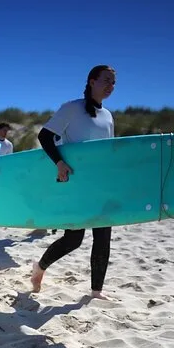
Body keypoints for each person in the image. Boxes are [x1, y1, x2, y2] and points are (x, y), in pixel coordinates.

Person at [30, 65, 116, 300]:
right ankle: (40, 267)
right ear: (92, 81)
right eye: (106, 80)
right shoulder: (72, 108)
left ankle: (96, 291)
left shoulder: (108, 116)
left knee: (103, 237)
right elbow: (44, 136)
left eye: (113, 82)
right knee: (73, 239)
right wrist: (59, 163)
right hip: (77, 184)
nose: (110, 86)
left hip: (100, 185)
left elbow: (108, 152)